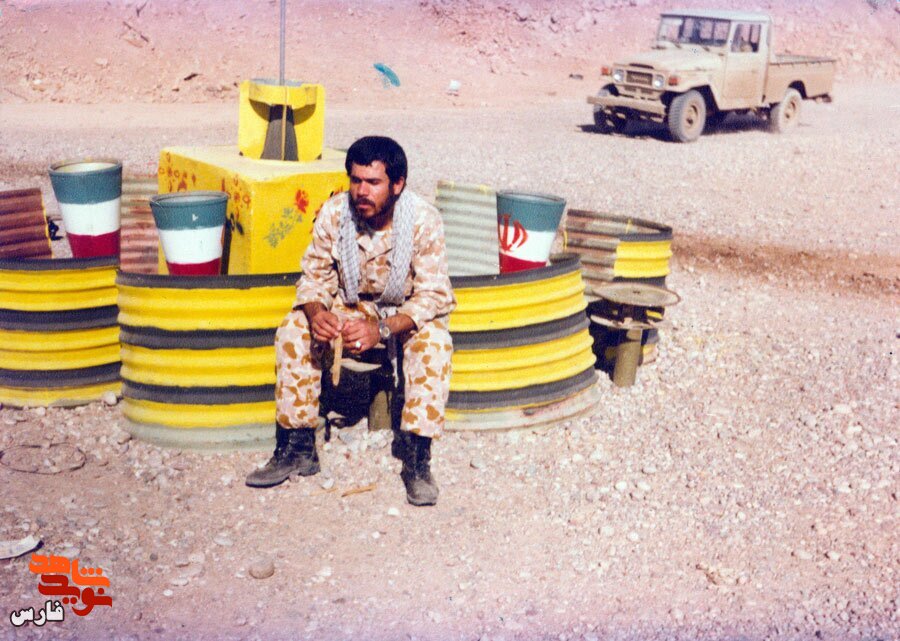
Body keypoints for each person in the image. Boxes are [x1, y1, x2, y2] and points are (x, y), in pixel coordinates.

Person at [245, 136, 456, 507]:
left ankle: (417, 458)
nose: (362, 191)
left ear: (397, 184)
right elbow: (314, 277)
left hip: (401, 314)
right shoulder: (334, 213)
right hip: (348, 306)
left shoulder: (423, 220)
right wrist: (318, 315)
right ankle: (297, 447)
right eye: (356, 180)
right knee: (294, 328)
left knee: (434, 342)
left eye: (373, 182)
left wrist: (382, 329)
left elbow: (433, 295)